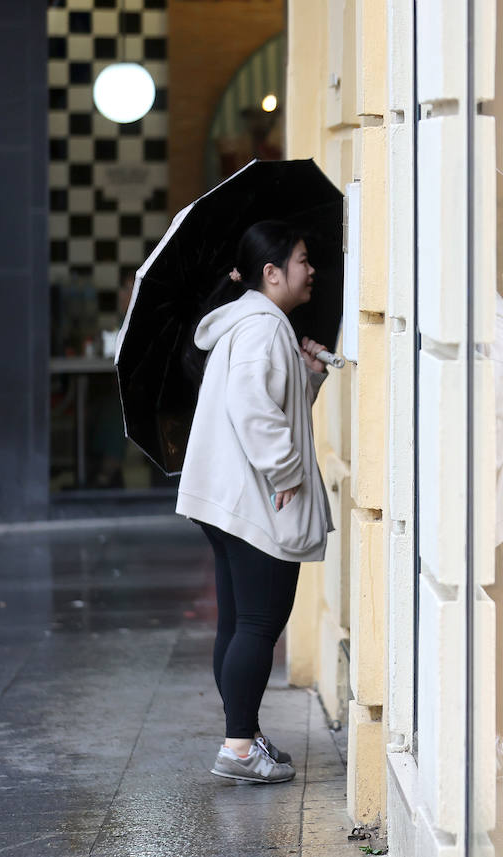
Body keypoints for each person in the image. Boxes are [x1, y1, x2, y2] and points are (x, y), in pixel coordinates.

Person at [176, 220, 335, 784]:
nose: (310, 268)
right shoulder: (264, 327)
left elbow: (274, 400)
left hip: (226, 498)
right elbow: (252, 405)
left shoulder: (255, 325)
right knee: (260, 625)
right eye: (301, 258)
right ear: (271, 274)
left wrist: (309, 375)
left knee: (239, 623)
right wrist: (286, 468)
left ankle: (243, 733)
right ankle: (239, 748)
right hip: (253, 501)